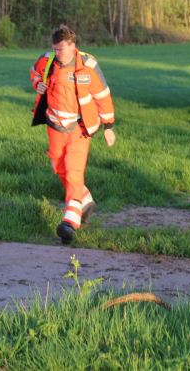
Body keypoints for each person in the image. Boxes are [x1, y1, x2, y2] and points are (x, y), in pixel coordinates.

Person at [30, 25, 116, 244]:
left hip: (80, 126)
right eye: (55, 49)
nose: (57, 53)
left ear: (72, 46)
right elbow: (35, 71)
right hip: (55, 124)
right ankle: (84, 200)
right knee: (58, 167)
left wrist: (109, 127)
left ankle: (69, 222)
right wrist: (38, 83)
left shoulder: (88, 65)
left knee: (74, 169)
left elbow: (103, 96)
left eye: (60, 50)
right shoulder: (47, 60)